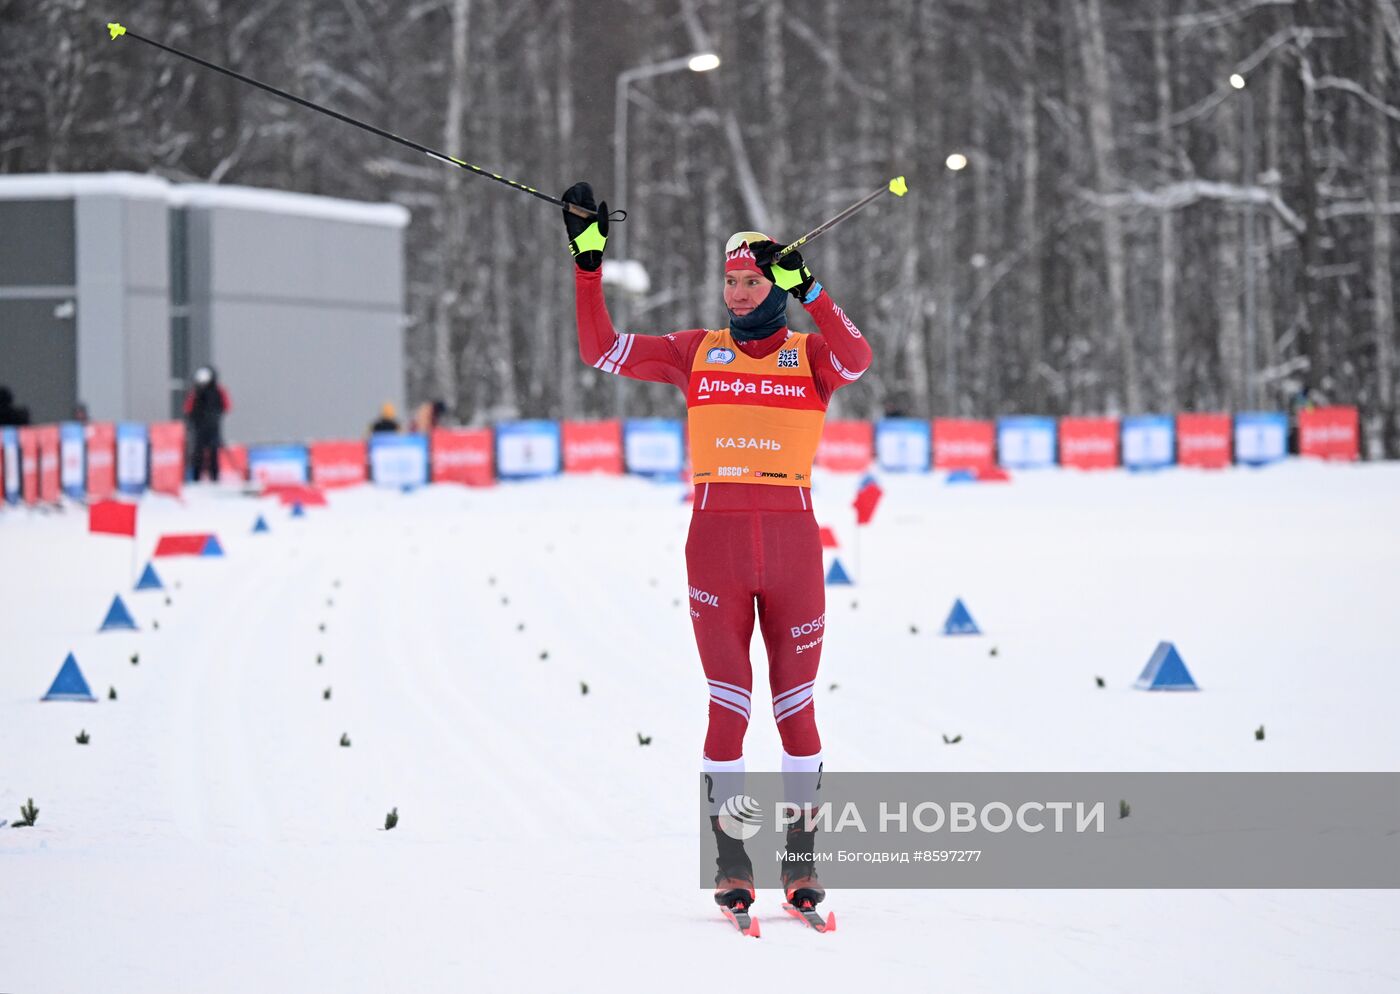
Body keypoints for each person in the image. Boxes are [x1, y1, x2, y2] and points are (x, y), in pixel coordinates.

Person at [562, 182, 873, 917]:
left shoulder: (811, 355)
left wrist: (816, 292)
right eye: (729, 280)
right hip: (716, 550)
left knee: (796, 710)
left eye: (749, 280)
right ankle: (733, 863)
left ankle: (801, 864)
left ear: (777, 285)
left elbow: (859, 358)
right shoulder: (693, 351)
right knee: (727, 708)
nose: (735, 292)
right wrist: (587, 264)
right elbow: (600, 350)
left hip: (794, 550)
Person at [183, 366, 230, 482]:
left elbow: (226, 406)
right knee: (198, 452)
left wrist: (215, 416)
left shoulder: (218, 391)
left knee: (214, 452)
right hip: (199, 428)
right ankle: (196, 478)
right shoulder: (196, 392)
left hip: (213, 427)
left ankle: (215, 478)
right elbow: (188, 408)